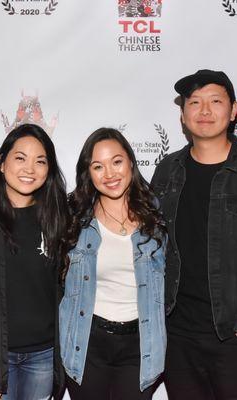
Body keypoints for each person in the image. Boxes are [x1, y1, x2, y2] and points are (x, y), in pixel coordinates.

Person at [150, 69, 237, 400]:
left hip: (233, 338)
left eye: (215, 101)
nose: (204, 111)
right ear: (183, 114)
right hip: (178, 337)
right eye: (194, 102)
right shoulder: (166, 171)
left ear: (233, 111)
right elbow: (152, 245)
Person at [0, 124, 68, 400]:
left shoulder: (59, 216)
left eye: (40, 161)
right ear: (2, 162)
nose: (29, 169)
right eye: (20, 158)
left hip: (43, 355)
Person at [60, 128, 167, 400]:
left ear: (131, 162)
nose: (109, 174)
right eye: (98, 166)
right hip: (87, 343)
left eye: (116, 162)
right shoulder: (75, 218)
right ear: (88, 173)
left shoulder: (156, 215)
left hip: (140, 344)